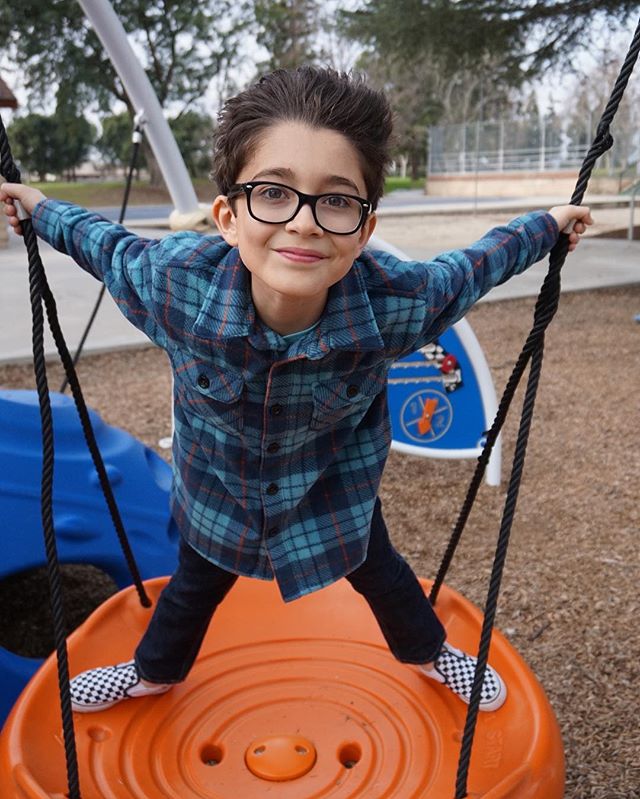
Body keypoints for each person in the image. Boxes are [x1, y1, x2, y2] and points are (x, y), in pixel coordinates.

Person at [1, 66, 593, 715]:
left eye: (337, 200)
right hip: (218, 492)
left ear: (364, 229)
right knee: (192, 586)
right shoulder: (174, 286)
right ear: (227, 216)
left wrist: (550, 222)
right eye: (275, 194)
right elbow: (102, 245)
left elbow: (478, 264)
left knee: (383, 573)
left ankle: (426, 652)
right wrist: (35, 205)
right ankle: (153, 672)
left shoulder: (395, 305)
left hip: (332, 492)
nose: (305, 223)